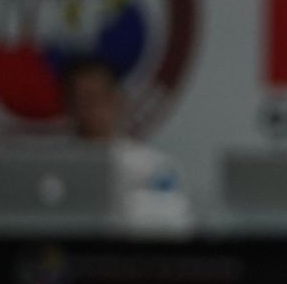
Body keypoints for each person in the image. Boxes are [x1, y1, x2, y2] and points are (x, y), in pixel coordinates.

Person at [63, 57, 194, 236]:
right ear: (69, 106)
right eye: (81, 99)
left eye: (97, 97)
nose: (90, 109)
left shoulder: (154, 166)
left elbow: (173, 223)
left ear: (118, 100)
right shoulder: (55, 166)